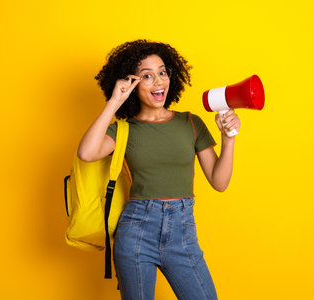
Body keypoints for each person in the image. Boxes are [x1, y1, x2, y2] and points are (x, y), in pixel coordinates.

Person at [77, 39, 240, 300]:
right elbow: (86, 153)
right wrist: (115, 102)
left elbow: (219, 182)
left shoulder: (191, 123)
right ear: (131, 83)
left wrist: (228, 138)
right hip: (136, 232)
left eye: (162, 72)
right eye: (147, 76)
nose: (158, 81)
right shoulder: (124, 129)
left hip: (183, 234)